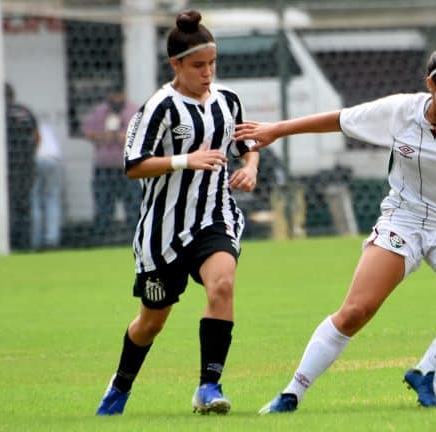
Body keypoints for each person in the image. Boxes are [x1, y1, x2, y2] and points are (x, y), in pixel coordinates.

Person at [235, 45, 436, 413]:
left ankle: (426, 370)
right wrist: (278, 131)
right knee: (355, 311)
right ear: (431, 84)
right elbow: (340, 119)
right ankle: (291, 393)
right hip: (403, 220)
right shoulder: (400, 111)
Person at [95, 9, 259, 416]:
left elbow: (246, 144)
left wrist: (250, 168)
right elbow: (133, 165)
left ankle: (209, 387)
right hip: (162, 233)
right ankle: (119, 386)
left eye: (212, 64)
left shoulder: (228, 100)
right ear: (177, 65)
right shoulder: (158, 108)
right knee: (151, 322)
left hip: (213, 217)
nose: (208, 73)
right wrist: (186, 161)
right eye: (199, 65)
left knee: (222, 285)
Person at [81, 85, 140, 245]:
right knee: (103, 205)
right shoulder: (100, 111)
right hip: (104, 166)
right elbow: (86, 131)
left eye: (118, 95)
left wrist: (124, 136)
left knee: (133, 205)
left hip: (128, 167)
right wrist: (102, 136)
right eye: (112, 96)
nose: (116, 99)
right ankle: (101, 241)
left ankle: (135, 240)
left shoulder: (134, 110)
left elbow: (143, 133)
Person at [4, 83, 40, 251]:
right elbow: (37, 137)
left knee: (10, 206)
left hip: (8, 168)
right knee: (25, 206)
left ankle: (11, 243)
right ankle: (27, 244)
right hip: (26, 166)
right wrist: (30, 155)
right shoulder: (25, 111)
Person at [30, 122, 63, 250]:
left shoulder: (26, 128)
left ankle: (36, 240)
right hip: (53, 159)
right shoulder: (45, 127)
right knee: (52, 199)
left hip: (35, 159)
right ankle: (52, 239)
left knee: (35, 199)